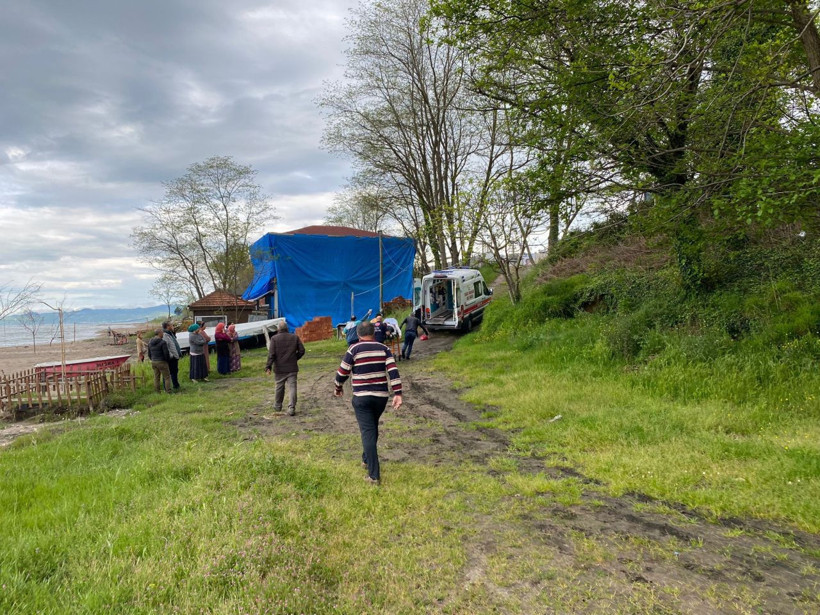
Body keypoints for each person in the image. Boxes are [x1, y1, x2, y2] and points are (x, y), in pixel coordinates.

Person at [334, 320, 403, 485]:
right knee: (372, 427)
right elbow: (393, 371)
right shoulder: (384, 349)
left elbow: (342, 372)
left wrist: (338, 387)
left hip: (362, 398)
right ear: (373, 333)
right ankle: (366, 459)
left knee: (367, 431)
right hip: (380, 397)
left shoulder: (354, 349)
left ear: (358, 334)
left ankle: (374, 475)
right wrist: (398, 393)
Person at [265, 321, 305, 416]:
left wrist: (268, 366)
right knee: (292, 387)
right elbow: (302, 350)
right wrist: (295, 358)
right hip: (292, 367)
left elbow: (271, 354)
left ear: (278, 329)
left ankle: (278, 405)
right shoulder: (294, 337)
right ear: (287, 328)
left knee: (279, 387)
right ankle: (291, 408)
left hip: (279, 368)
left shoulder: (274, 339)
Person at [147, 328, 172, 394]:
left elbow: (149, 353)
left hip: (154, 361)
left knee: (156, 377)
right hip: (162, 361)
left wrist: (152, 359)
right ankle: (168, 391)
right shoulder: (162, 342)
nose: (163, 334)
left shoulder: (150, 342)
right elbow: (166, 353)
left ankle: (157, 392)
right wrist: (167, 360)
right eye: (162, 333)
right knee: (167, 377)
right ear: (159, 333)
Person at [162, 321, 181, 390]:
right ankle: (167, 388)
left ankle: (176, 385)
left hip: (174, 356)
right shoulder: (165, 335)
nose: (173, 327)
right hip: (170, 358)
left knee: (174, 371)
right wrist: (171, 355)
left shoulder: (170, 333)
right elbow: (165, 347)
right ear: (168, 326)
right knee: (168, 373)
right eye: (172, 325)